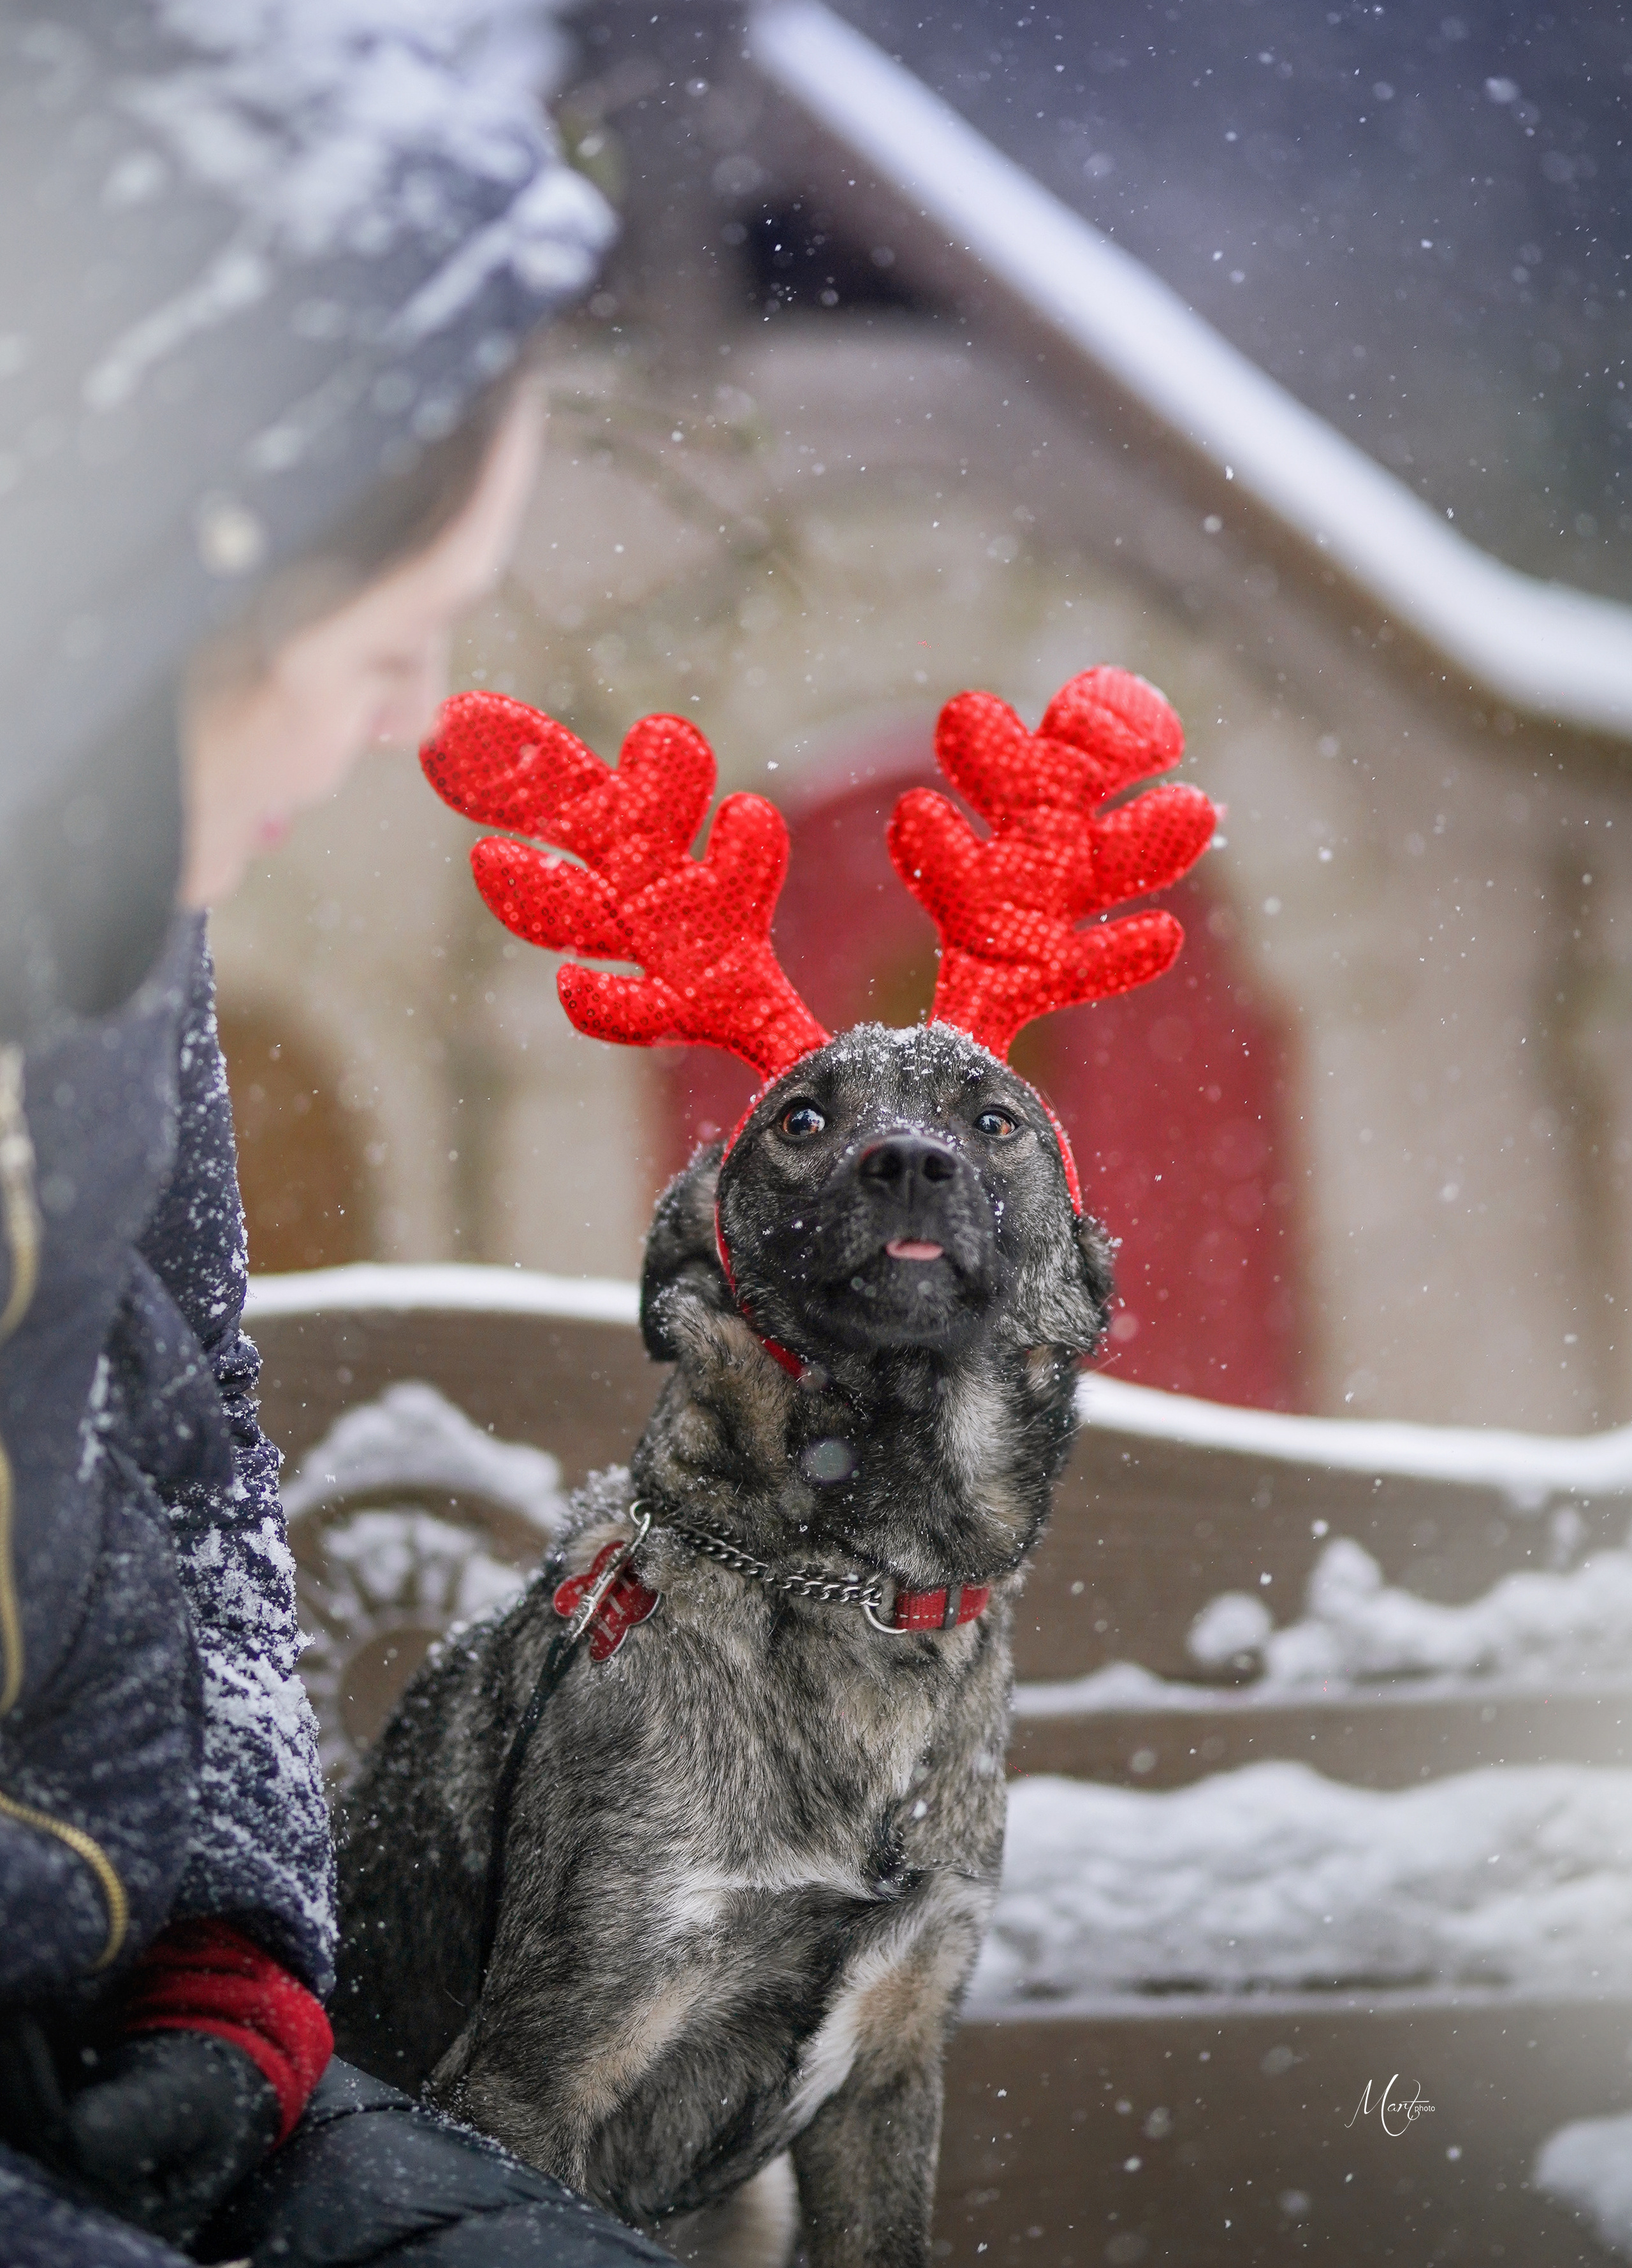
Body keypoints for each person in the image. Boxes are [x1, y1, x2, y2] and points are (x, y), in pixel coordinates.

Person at [0, 6, 673, 2262]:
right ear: (156, 592)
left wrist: (219, 1937)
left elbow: (168, 1444)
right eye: (387, 644)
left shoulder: (99, 912)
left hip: (104, 2046)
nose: (410, 729)